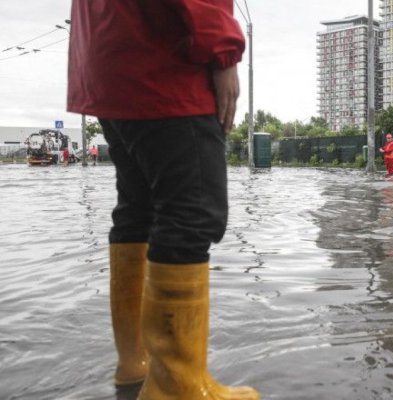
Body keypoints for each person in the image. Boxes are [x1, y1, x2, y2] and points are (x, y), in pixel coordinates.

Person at [67, 1, 259, 399]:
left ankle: (137, 365)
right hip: (165, 59)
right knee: (193, 213)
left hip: (110, 59)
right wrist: (224, 51)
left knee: (138, 211)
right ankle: (177, 388)